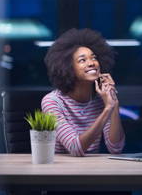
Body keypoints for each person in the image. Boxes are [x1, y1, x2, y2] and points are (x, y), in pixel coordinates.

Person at [42, 28, 125, 156]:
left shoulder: (101, 100)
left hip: (93, 170)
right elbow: (75, 148)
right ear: (68, 68)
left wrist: (114, 102)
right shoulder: (52, 102)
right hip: (60, 171)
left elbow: (116, 148)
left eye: (94, 58)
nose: (91, 63)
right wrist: (108, 108)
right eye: (82, 60)